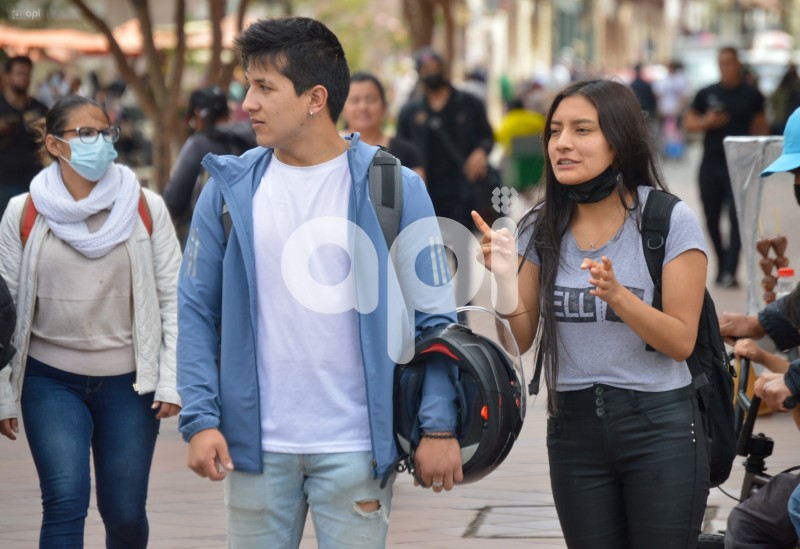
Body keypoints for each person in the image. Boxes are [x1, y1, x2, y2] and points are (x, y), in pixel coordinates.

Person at [176, 17, 463, 548]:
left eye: (264, 87)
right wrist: (200, 420)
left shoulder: (393, 187)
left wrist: (439, 425)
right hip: (253, 448)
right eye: (247, 86)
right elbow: (196, 310)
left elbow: (435, 316)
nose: (247, 104)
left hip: (357, 448)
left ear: (315, 98)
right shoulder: (228, 192)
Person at [473, 78, 711, 547]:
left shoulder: (668, 221)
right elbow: (518, 341)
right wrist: (502, 278)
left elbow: (682, 340)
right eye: (556, 131)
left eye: (582, 130)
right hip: (573, 431)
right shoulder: (540, 226)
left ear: (618, 142)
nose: (562, 143)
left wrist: (620, 296)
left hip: (660, 427)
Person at [0, 95, 182, 547]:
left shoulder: (145, 207)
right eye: (85, 133)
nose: (99, 142)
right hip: (49, 381)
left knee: (123, 512)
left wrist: (172, 380)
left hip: (130, 384)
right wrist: (4, 393)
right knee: (64, 501)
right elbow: (3, 313)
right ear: (55, 144)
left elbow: (174, 300)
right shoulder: (24, 212)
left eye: (105, 132)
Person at [684, 47, 769, 289]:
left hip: (741, 167)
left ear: (738, 64)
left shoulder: (752, 94)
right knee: (711, 218)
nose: (726, 68)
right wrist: (705, 122)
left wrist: (759, 156)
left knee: (737, 217)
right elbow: (689, 123)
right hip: (711, 165)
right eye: (722, 63)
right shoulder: (706, 93)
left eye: (730, 63)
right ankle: (721, 263)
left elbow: (761, 127)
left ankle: (730, 270)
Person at [396, 47, 494, 229]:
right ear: (419, 73)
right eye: (426, 69)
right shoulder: (410, 112)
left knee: (461, 249)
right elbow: (399, 149)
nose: (432, 72)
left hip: (462, 189)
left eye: (436, 67)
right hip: (426, 193)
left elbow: (487, 136)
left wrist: (481, 152)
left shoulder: (469, 103)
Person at [162, 85, 256, 246]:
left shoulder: (198, 145)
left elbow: (174, 201)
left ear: (198, 114)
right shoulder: (251, 137)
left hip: (208, 240)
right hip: (251, 235)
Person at [341, 71, 425, 178]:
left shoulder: (407, 152)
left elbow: (417, 192)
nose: (363, 107)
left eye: (370, 99)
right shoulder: (330, 151)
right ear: (342, 108)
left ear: (384, 106)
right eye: (355, 100)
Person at [0, 56, 48, 214]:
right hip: (4, 182)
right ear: (6, 76)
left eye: (28, 74)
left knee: (31, 233)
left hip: (33, 181)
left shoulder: (39, 108)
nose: (25, 78)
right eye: (20, 73)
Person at [653, 60, 690, 159]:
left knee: (677, 134)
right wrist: (659, 109)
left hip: (676, 112)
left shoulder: (680, 79)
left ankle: (678, 153)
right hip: (665, 111)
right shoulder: (663, 79)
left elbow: (684, 97)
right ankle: (666, 152)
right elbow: (658, 96)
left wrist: (679, 109)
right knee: (664, 133)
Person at [769, 64, 800, 135]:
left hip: (783, 120)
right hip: (782, 121)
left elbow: (773, 100)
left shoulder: (782, 88)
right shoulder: (783, 88)